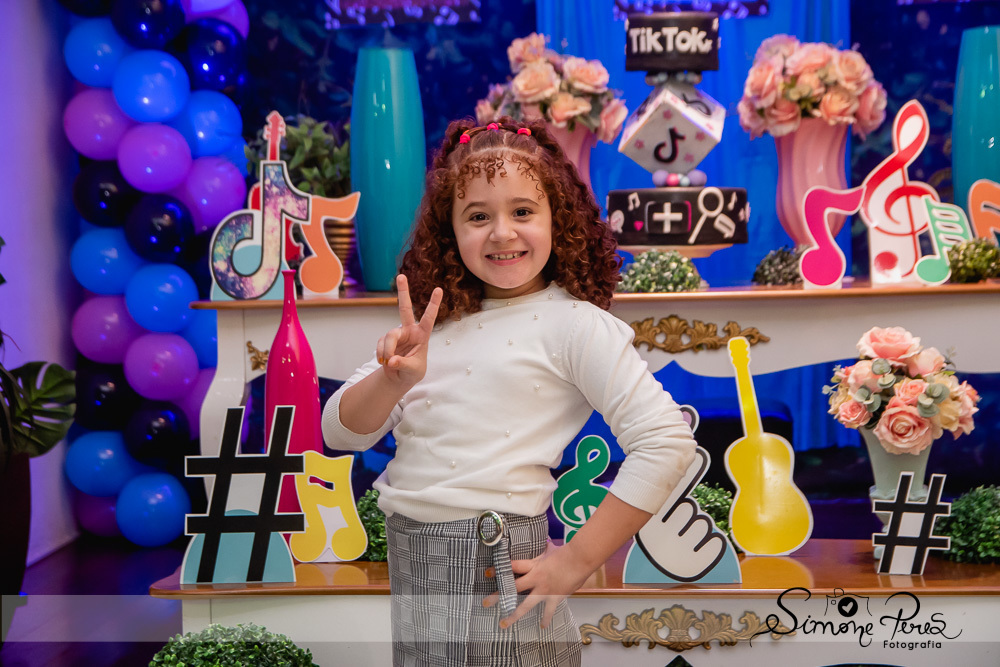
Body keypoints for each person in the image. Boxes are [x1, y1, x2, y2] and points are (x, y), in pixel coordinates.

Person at [322, 116, 696, 666]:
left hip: (498, 577)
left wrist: (575, 562)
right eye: (478, 216)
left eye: (523, 211)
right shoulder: (431, 328)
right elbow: (340, 432)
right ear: (449, 231)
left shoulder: (575, 325)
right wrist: (392, 380)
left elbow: (667, 442)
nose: (501, 232)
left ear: (558, 219)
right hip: (414, 578)